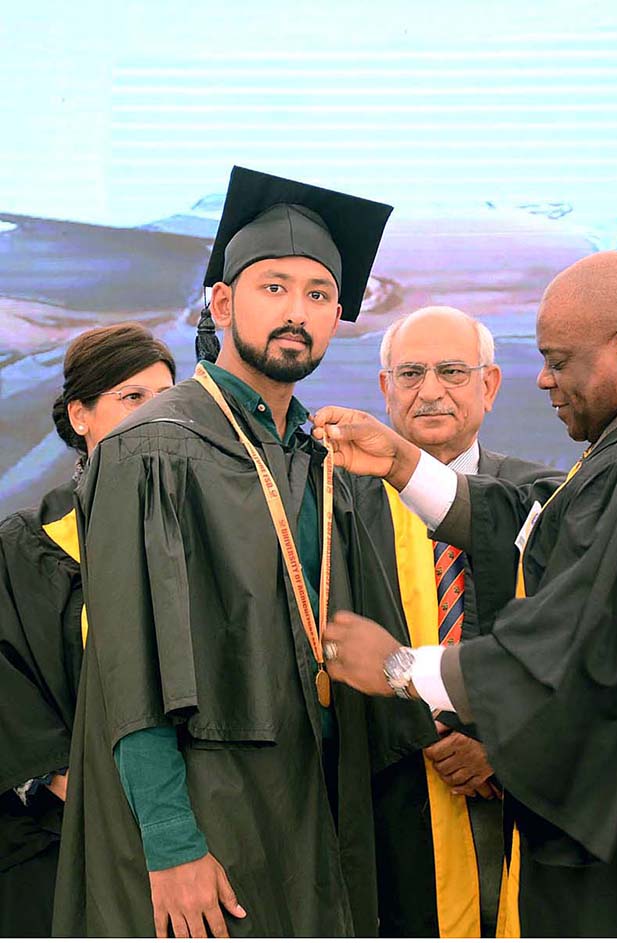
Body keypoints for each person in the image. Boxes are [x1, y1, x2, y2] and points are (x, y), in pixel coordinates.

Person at [313, 250, 617, 936]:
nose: (543, 379)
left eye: (559, 359)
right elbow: (546, 522)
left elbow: (577, 654)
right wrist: (403, 464)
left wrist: (401, 668)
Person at [52, 166, 434, 938]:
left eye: (320, 295)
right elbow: (129, 664)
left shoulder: (325, 460)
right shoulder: (149, 448)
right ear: (223, 303)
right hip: (208, 815)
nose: (298, 312)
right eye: (274, 287)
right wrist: (170, 843)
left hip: (319, 809)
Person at [353, 305, 560, 937]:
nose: (431, 390)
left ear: (489, 386)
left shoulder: (544, 500)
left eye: (452, 371)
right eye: (411, 373)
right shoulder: (336, 505)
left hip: (518, 794)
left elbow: (570, 647)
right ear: (386, 389)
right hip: (383, 790)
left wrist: (502, 745)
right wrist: (426, 733)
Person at [0, 323, 175, 937]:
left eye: (168, 399)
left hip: (199, 828)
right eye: (134, 398)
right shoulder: (27, 545)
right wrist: (68, 778)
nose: (158, 417)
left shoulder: (211, 533)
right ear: (81, 415)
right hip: (63, 830)